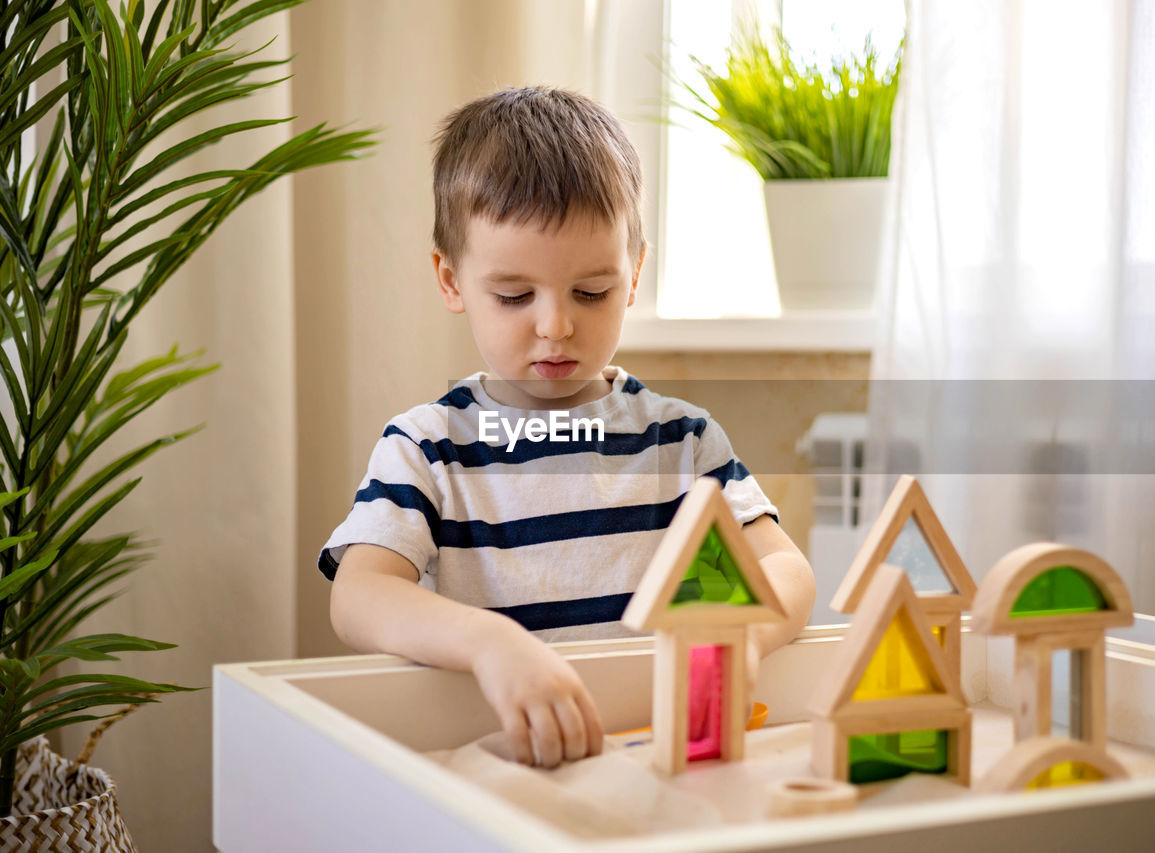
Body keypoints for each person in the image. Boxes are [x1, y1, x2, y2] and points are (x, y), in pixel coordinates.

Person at [321, 86, 815, 770]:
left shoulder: (682, 440)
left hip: (658, 759)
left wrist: (744, 639)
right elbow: (359, 595)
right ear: (450, 277)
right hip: (512, 769)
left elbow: (785, 567)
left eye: (592, 291)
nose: (556, 325)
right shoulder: (425, 448)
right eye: (514, 295)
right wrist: (491, 643)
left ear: (635, 271)